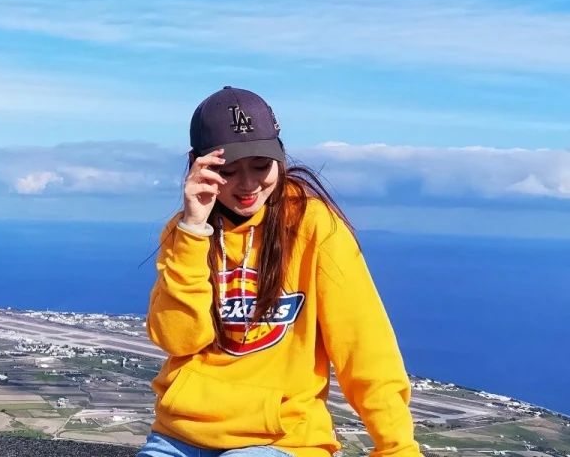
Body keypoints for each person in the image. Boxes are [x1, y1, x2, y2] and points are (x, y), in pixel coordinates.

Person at [140, 86, 421, 457]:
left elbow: (363, 346)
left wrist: (397, 448)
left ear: (280, 157)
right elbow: (179, 340)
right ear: (198, 166)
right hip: (180, 435)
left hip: (283, 440)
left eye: (261, 165)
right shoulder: (185, 232)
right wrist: (193, 230)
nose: (248, 184)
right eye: (228, 170)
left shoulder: (314, 226)